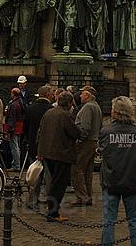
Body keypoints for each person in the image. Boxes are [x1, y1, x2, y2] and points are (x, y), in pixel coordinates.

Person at [99, 96, 136, 246]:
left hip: (111, 180)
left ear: (115, 112)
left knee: (108, 221)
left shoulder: (106, 132)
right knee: (134, 221)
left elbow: (103, 152)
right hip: (132, 180)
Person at [37, 90, 80, 222]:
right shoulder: (64, 115)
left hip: (48, 152)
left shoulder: (49, 113)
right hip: (61, 153)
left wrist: (40, 152)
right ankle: (53, 212)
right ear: (69, 102)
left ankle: (52, 209)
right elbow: (75, 133)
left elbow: (40, 132)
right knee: (59, 184)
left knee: (53, 182)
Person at [72, 85, 101, 206]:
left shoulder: (88, 107)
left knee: (77, 169)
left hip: (86, 142)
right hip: (93, 141)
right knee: (88, 171)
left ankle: (82, 197)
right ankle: (87, 195)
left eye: (82, 94)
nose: (80, 96)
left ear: (88, 95)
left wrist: (80, 139)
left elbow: (85, 127)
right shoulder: (97, 107)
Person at [25, 85, 53, 209]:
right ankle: (50, 200)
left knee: (34, 175)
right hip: (48, 146)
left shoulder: (30, 108)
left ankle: (32, 200)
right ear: (47, 95)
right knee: (48, 176)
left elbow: (25, 127)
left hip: (33, 146)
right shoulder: (51, 110)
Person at [5, 88, 26, 171]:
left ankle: (16, 165)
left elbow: (11, 118)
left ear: (13, 94)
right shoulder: (20, 102)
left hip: (14, 128)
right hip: (19, 127)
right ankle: (16, 164)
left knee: (14, 146)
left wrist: (10, 129)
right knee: (17, 146)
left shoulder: (13, 104)